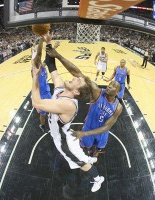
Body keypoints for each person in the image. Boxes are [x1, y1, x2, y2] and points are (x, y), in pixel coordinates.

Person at [32, 34, 104, 192]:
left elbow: (36, 103)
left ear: (77, 91)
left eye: (77, 80)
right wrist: (48, 42)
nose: (74, 78)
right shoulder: (60, 90)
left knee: (79, 163)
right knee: (79, 157)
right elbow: (52, 67)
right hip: (64, 134)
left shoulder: (68, 105)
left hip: (64, 141)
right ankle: (88, 157)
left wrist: (34, 78)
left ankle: (98, 178)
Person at [47, 45, 123, 158]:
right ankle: (86, 154)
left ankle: (95, 153)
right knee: (84, 147)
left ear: (117, 92)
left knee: (98, 148)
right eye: (110, 83)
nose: (109, 86)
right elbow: (78, 73)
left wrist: (84, 133)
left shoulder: (118, 107)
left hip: (102, 133)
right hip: (88, 127)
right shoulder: (97, 91)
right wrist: (58, 56)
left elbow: (106, 127)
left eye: (113, 87)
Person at [32, 41, 60, 132]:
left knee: (53, 109)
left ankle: (54, 123)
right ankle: (43, 126)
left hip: (46, 92)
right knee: (43, 114)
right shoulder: (35, 69)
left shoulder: (42, 66)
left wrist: (54, 47)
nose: (38, 59)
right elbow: (38, 54)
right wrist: (41, 39)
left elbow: (47, 58)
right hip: (40, 96)